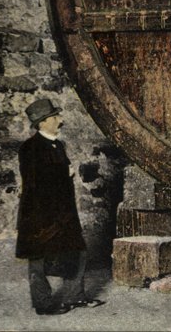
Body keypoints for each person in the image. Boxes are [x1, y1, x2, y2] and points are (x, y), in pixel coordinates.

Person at [16, 98, 104, 315]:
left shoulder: (58, 144)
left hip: (63, 213)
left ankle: (76, 297)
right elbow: (34, 182)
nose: (60, 120)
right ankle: (43, 305)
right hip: (40, 214)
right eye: (55, 117)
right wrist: (64, 174)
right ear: (43, 122)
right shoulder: (30, 148)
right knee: (37, 259)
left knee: (78, 251)